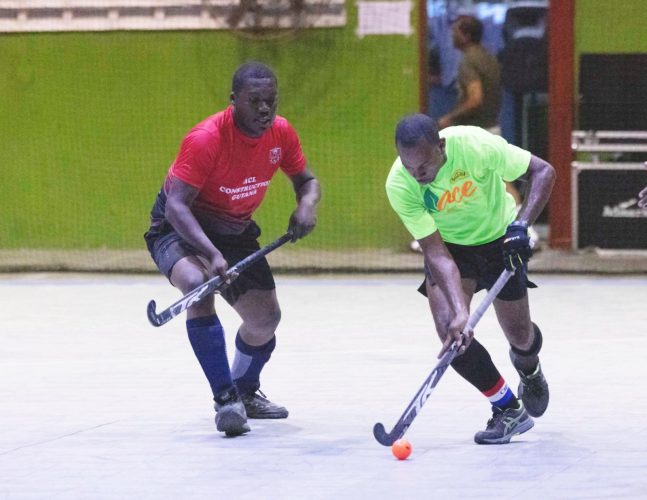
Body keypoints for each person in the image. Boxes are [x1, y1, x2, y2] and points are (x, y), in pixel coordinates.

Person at [144, 61, 321, 437]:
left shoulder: (281, 133)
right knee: (197, 283)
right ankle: (226, 401)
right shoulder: (207, 138)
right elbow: (177, 206)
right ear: (233, 101)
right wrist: (209, 254)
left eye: (270, 101)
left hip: (235, 231)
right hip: (180, 226)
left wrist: (306, 205)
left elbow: (307, 181)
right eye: (254, 101)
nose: (264, 109)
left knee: (264, 320)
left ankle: (244, 389)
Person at [386, 114, 555, 444]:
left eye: (424, 165)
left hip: (499, 239)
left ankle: (530, 369)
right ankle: (507, 408)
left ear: (441, 146)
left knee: (521, 336)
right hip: (451, 249)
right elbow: (436, 253)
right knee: (451, 327)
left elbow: (543, 171)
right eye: (409, 166)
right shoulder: (400, 184)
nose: (417, 175)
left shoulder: (475, 145)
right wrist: (460, 311)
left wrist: (521, 227)